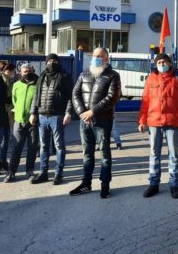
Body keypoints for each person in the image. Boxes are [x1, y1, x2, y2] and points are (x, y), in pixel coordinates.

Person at [69, 47, 122, 198]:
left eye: (100, 56)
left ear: (106, 59)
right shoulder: (84, 74)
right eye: (94, 55)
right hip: (85, 121)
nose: (96, 58)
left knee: (104, 154)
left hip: (103, 121)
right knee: (87, 154)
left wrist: (92, 112)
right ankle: (86, 184)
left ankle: (105, 185)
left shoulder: (113, 75)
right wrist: (82, 113)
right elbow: (75, 94)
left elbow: (113, 97)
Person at [138, 53, 178, 199]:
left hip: (172, 122)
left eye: (164, 62)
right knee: (154, 154)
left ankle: (174, 185)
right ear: (156, 64)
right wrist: (142, 121)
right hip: (154, 122)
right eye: (159, 62)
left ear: (170, 63)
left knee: (173, 155)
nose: (162, 64)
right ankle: (153, 184)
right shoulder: (151, 78)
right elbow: (145, 101)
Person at [29, 53, 73, 185]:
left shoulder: (64, 76)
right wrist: (33, 113)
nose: (51, 63)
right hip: (42, 116)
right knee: (43, 146)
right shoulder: (42, 76)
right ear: (46, 62)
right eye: (49, 61)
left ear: (58, 62)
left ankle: (58, 173)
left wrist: (68, 113)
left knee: (59, 146)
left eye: (54, 61)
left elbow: (70, 96)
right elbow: (36, 97)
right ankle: (43, 173)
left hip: (57, 116)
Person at [3, 63, 39, 182]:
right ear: (21, 73)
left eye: (29, 71)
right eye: (25, 71)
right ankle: (11, 172)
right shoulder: (16, 85)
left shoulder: (38, 84)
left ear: (33, 71)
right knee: (16, 147)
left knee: (32, 147)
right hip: (19, 121)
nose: (27, 73)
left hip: (33, 122)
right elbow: (14, 100)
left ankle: (29, 171)